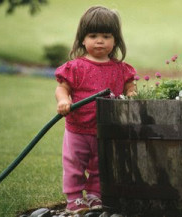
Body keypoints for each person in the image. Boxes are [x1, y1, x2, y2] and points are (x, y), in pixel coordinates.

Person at [54, 6, 137, 214]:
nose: (99, 41)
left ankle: (94, 195)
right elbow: (62, 87)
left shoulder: (120, 69)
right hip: (78, 128)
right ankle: (74, 199)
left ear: (115, 40)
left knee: (101, 166)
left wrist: (132, 95)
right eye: (93, 35)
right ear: (83, 39)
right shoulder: (76, 67)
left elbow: (130, 87)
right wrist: (63, 100)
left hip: (106, 129)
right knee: (74, 165)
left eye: (106, 36)